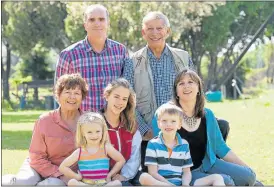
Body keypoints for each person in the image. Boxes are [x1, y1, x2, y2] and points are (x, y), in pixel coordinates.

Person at [152, 69, 257, 186]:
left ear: (198, 89)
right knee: (226, 181)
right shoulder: (165, 114)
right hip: (184, 173)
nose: (186, 86)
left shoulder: (208, 115)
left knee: (250, 177)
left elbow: (221, 148)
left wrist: (246, 167)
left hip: (208, 163)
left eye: (191, 82)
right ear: (176, 91)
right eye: (181, 83)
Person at [2, 73, 88, 185]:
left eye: (77, 93)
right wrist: (60, 174)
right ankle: (8, 181)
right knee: (22, 183)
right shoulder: (44, 120)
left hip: (70, 174)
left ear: (82, 97)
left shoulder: (89, 122)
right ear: (58, 95)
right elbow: (36, 157)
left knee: (54, 184)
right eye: (67, 92)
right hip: (38, 166)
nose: (72, 97)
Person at [55, 4, 131, 112]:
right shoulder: (68, 55)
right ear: (85, 25)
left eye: (101, 19)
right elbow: (59, 94)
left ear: (108, 23)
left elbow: (127, 88)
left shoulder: (121, 51)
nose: (97, 23)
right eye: (92, 20)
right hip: (81, 123)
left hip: (114, 123)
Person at [139, 103, 225, 186]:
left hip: (181, 183)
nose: (168, 124)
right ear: (158, 124)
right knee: (144, 177)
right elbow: (153, 173)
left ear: (179, 125)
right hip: (161, 183)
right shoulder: (153, 144)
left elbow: (187, 172)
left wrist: (185, 184)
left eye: (173, 121)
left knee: (217, 178)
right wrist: (169, 185)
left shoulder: (184, 144)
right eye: (164, 121)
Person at [59, 112, 125, 186]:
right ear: (83, 133)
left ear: (102, 131)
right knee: (72, 182)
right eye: (89, 132)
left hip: (103, 184)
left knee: (117, 183)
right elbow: (62, 167)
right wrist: (76, 176)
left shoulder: (106, 148)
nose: (94, 135)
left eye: (97, 131)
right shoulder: (80, 151)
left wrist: (110, 175)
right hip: (86, 184)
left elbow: (121, 160)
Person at [100, 78, 142, 185]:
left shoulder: (131, 126)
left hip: (125, 177)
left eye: (124, 99)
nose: (120, 102)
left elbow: (134, 157)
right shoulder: (95, 123)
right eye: (116, 97)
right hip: (100, 177)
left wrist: (124, 175)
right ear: (107, 95)